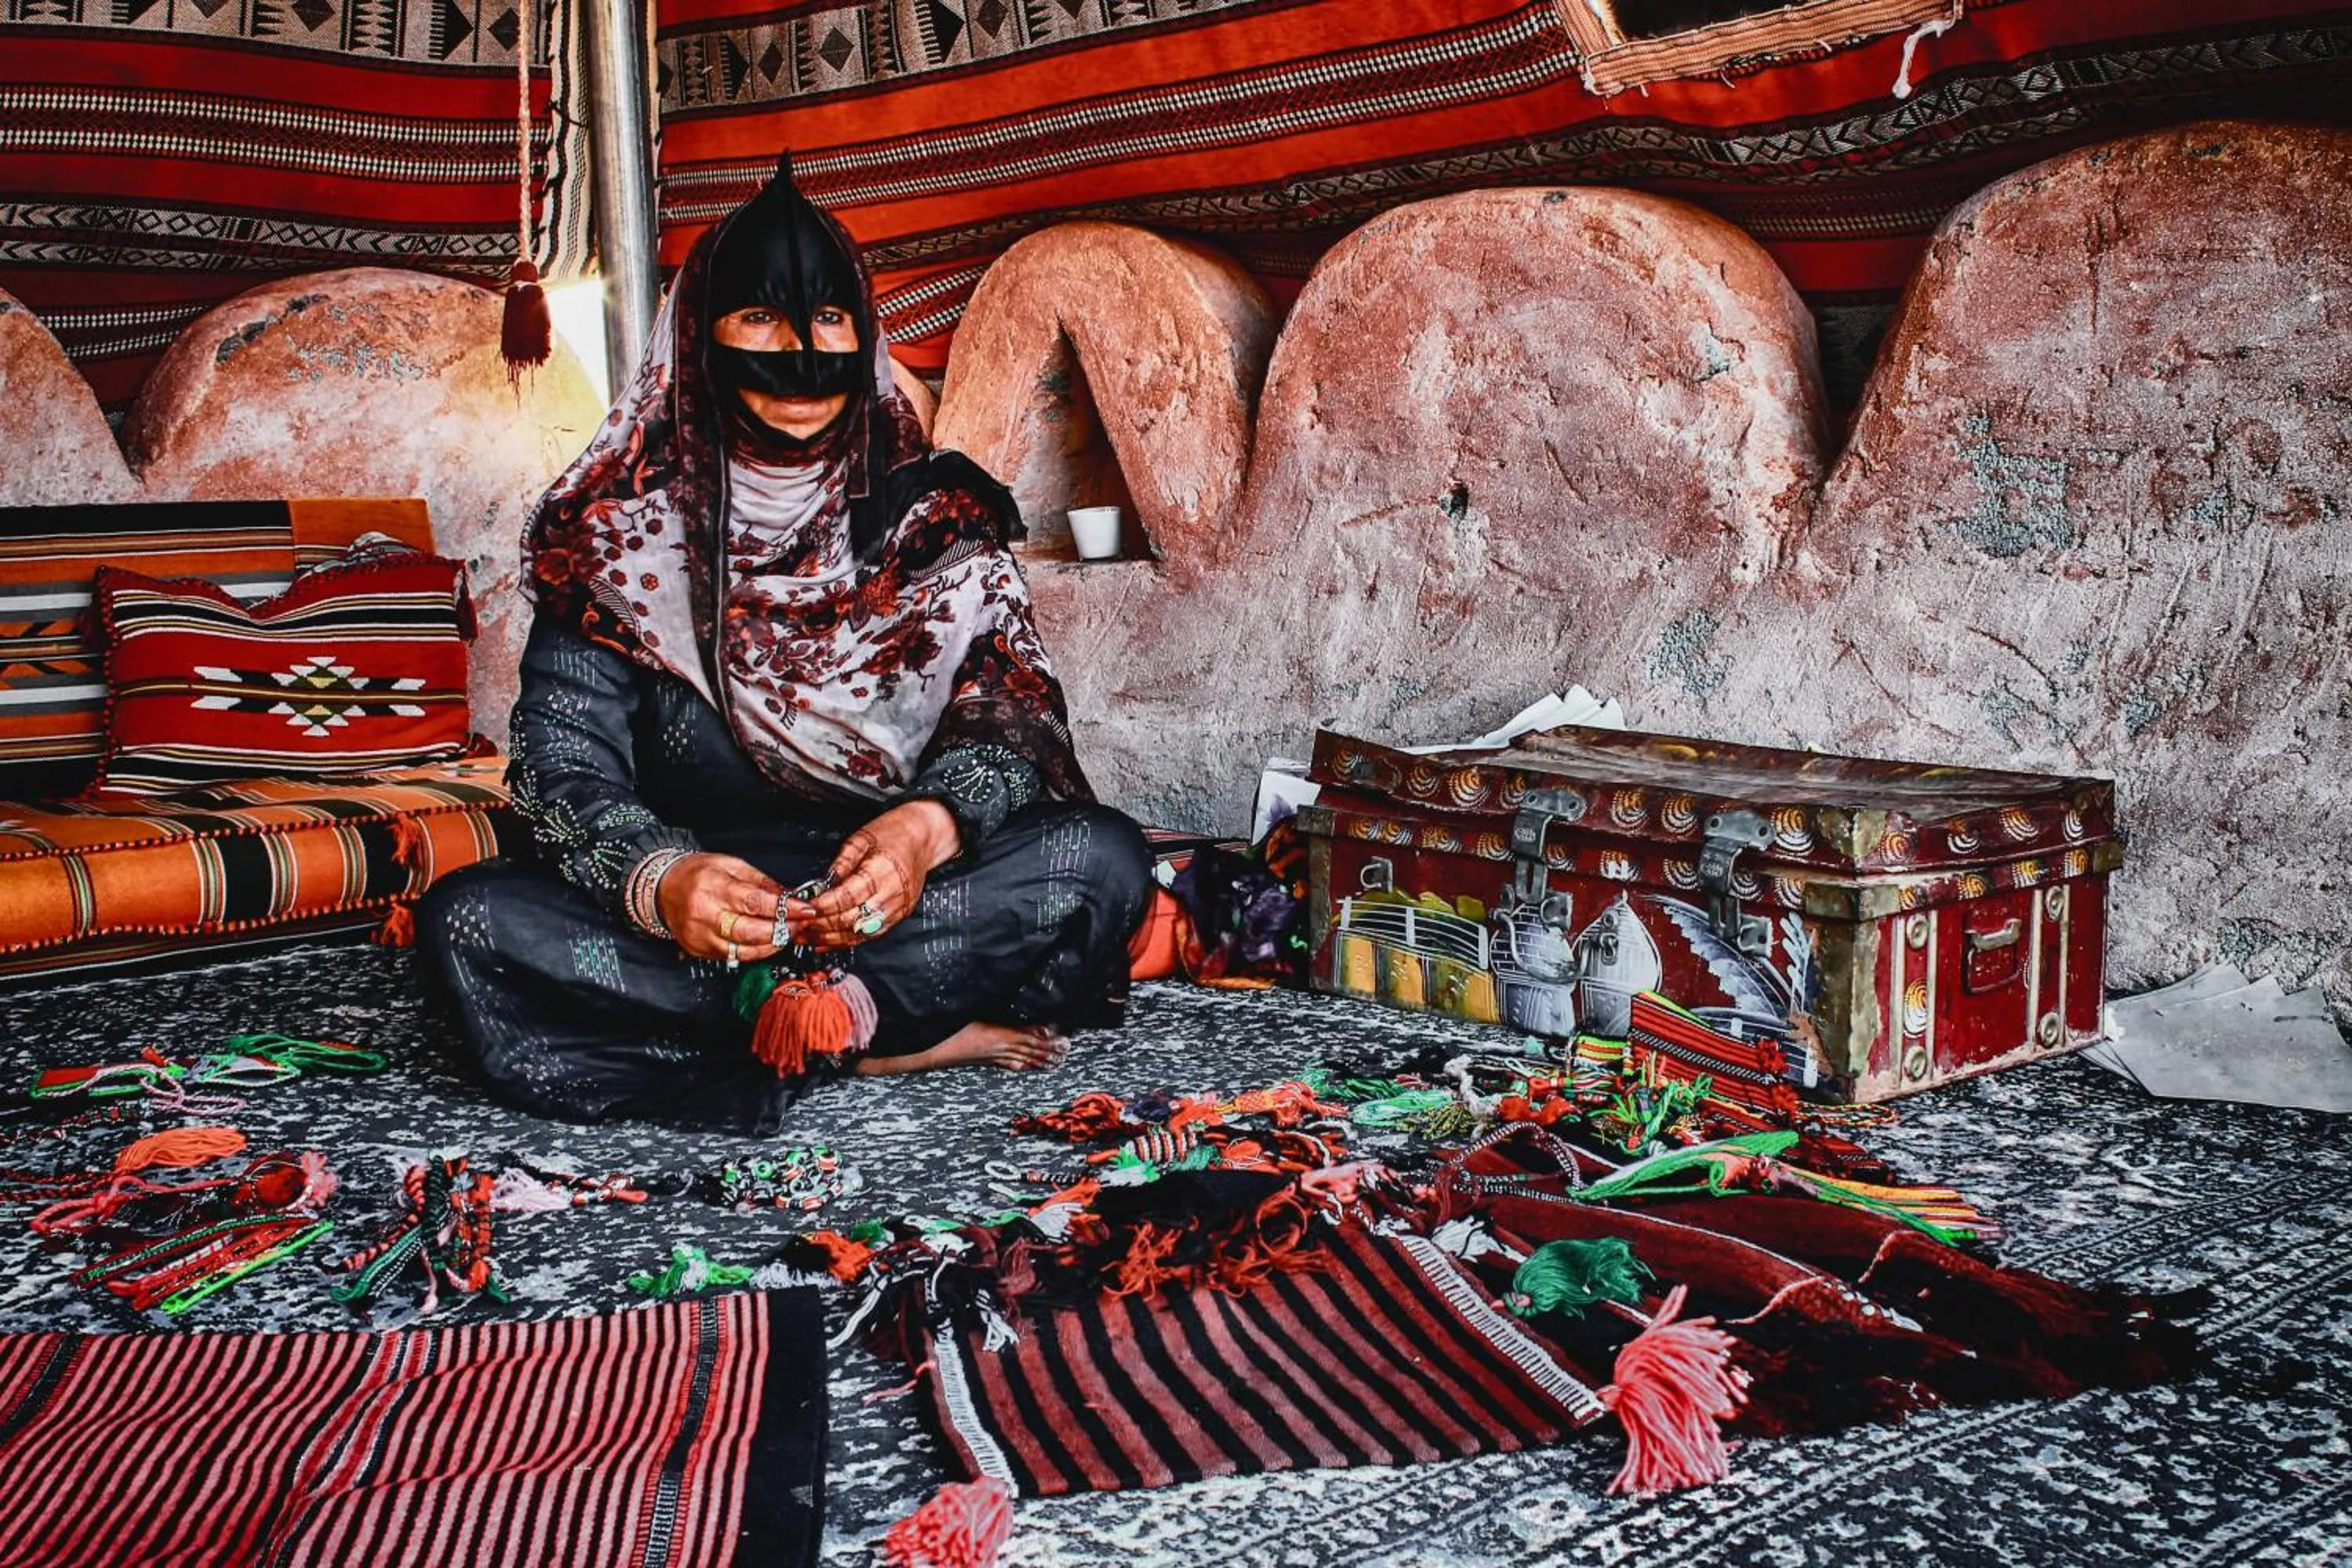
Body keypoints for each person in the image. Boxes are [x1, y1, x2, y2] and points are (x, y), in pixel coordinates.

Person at [416, 154, 1154, 1131]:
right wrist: (658, 879)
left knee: (1102, 859)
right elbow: (559, 770)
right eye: (761, 318)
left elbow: (1013, 719)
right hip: (704, 910)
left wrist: (925, 831)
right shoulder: (613, 538)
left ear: (866, 332)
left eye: (831, 319)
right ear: (696, 339)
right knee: (468, 922)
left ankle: (811, 1019)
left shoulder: (934, 515)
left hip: (898, 896)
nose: (803, 355)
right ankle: (877, 1027)